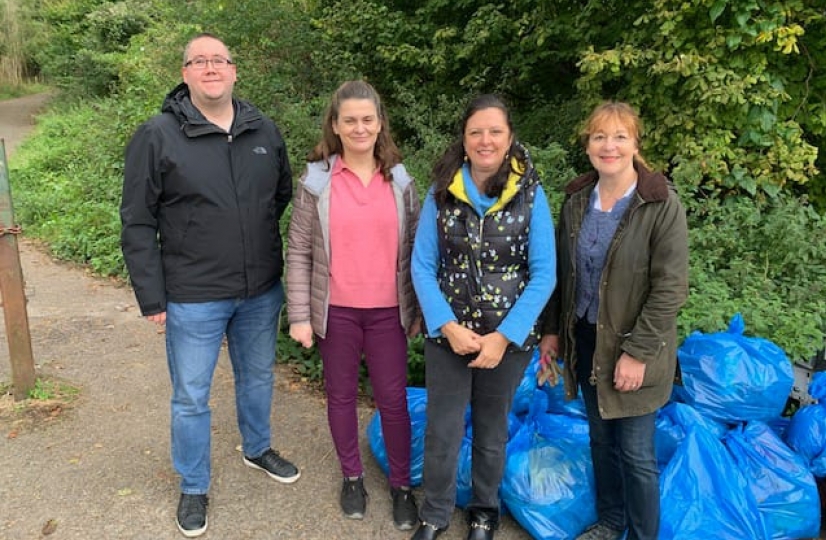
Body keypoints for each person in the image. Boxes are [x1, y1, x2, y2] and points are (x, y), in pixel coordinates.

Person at [120, 33, 298, 538]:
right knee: (191, 397)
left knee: (258, 377)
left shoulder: (263, 129)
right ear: (185, 74)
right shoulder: (157, 135)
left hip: (260, 290)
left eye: (219, 60)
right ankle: (194, 485)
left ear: (234, 70)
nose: (210, 68)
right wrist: (152, 296)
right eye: (199, 61)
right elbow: (136, 220)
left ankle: (257, 447)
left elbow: (278, 195)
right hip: (192, 295)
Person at [539, 101, 689, 540]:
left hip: (635, 348)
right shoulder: (576, 200)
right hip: (586, 340)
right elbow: (562, 274)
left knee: (637, 453)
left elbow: (669, 289)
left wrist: (637, 354)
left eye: (620, 137)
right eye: (600, 136)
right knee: (601, 441)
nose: (609, 146)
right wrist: (552, 331)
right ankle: (610, 522)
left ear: (635, 145)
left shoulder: (660, 205)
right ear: (587, 144)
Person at [410, 94, 556, 540]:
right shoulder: (442, 192)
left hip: (506, 342)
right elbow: (421, 265)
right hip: (448, 337)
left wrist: (503, 337)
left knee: (493, 431)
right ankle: (433, 514)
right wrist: (447, 326)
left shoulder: (531, 196)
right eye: (476, 131)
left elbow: (545, 273)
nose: (485, 140)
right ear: (464, 138)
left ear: (510, 138)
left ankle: (484, 512)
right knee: (442, 430)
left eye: (495, 131)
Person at [285, 80, 420, 530]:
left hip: (388, 314)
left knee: (393, 401)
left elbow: (419, 251)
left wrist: (420, 309)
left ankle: (401, 486)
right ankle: (352, 477)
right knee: (340, 397)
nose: (360, 128)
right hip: (335, 312)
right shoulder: (316, 181)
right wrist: (300, 315)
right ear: (336, 126)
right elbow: (300, 249)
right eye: (350, 121)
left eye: (368, 119)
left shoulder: (400, 181)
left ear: (380, 124)